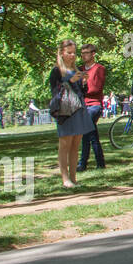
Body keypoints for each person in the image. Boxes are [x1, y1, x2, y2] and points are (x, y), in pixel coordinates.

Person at [48, 40, 95, 188]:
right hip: (65, 111)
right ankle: (65, 179)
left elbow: (83, 92)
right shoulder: (57, 71)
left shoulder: (76, 70)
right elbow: (55, 92)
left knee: (75, 145)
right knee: (65, 144)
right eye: (69, 52)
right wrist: (68, 80)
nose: (72, 55)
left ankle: (74, 178)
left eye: (74, 52)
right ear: (62, 53)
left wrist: (83, 82)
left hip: (79, 109)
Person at [76, 43, 107, 172]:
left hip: (94, 105)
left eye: (86, 53)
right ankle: (100, 162)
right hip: (83, 106)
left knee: (86, 133)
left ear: (93, 54)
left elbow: (96, 88)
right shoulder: (80, 69)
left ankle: (82, 163)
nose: (83, 55)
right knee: (91, 134)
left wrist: (83, 84)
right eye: (82, 53)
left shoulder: (99, 69)